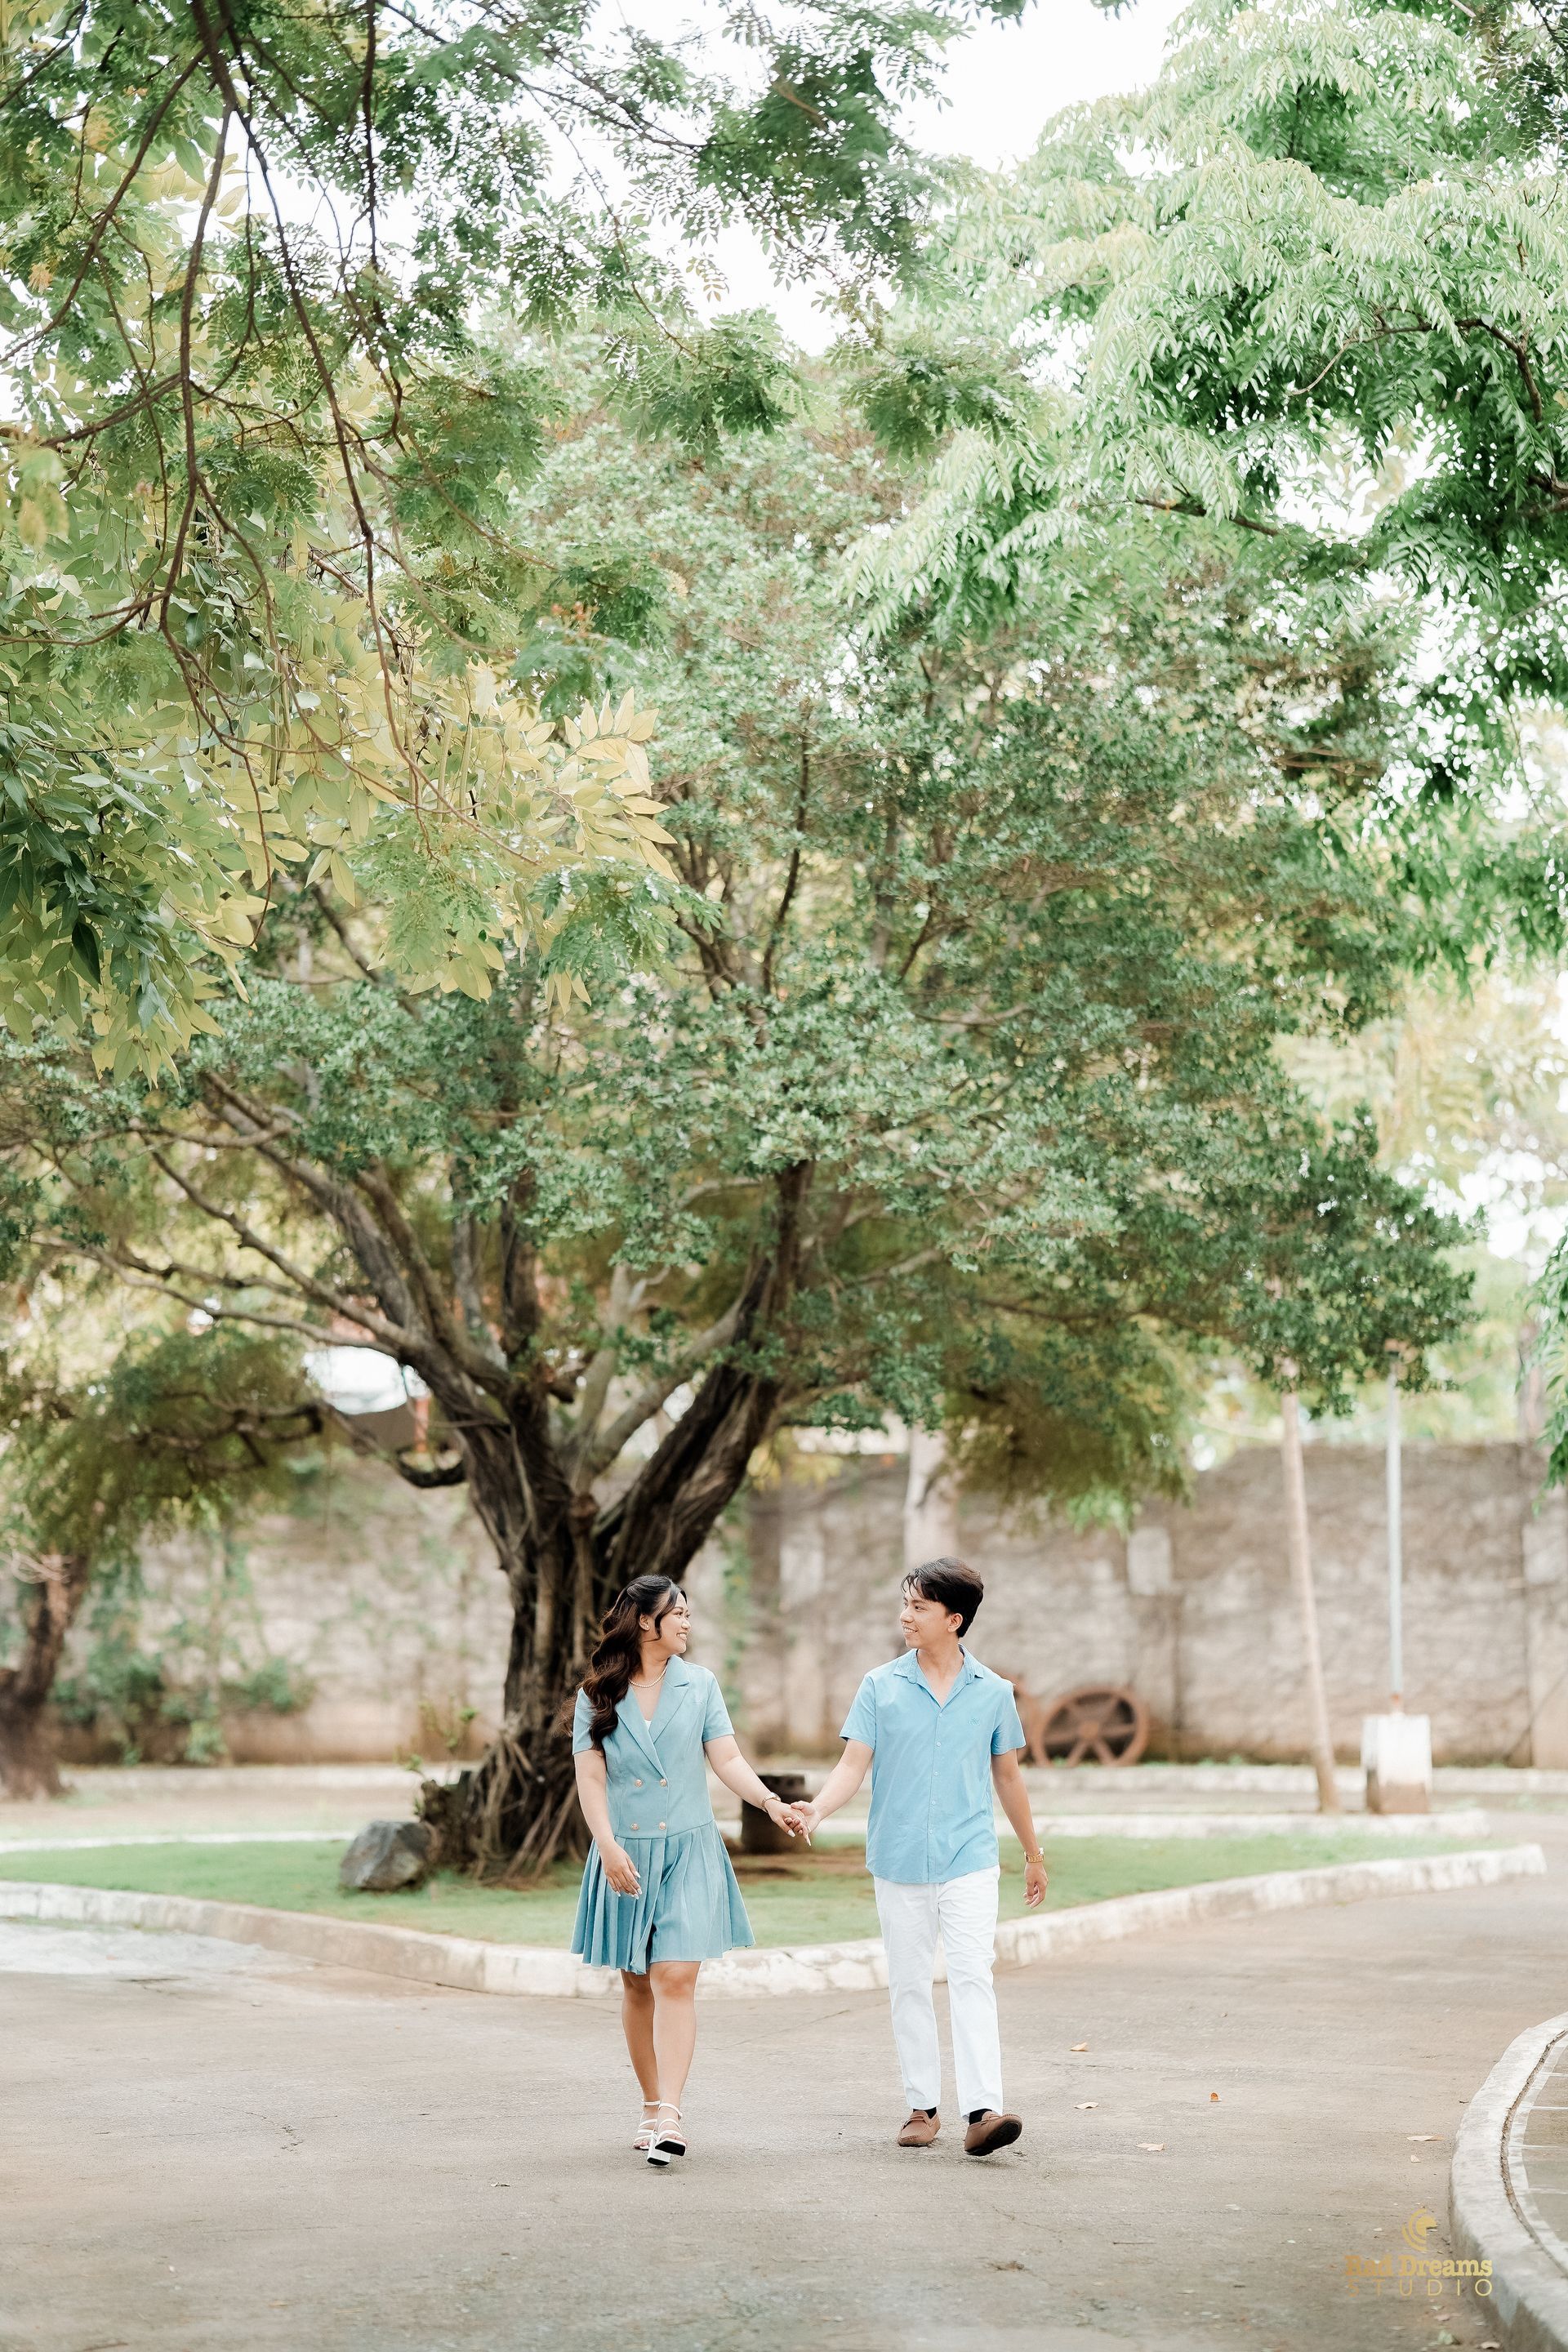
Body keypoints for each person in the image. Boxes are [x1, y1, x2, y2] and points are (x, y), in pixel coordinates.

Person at [799, 1556, 1049, 2156]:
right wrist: (817, 1810)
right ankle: (922, 2106)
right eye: (905, 1605)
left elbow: (1008, 1777)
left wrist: (1033, 1854)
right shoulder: (879, 1686)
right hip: (899, 1857)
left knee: (973, 1977)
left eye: (919, 1607)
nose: (905, 1616)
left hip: (970, 1857)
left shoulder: (994, 1692)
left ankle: (983, 2111)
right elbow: (852, 1766)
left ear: (953, 1619)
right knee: (910, 1983)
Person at [571, 1573, 807, 2166]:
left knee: (675, 1976)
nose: (686, 1623)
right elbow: (591, 1776)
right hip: (625, 1851)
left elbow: (726, 1757)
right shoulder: (596, 1694)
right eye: (678, 1613)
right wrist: (607, 1846)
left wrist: (770, 1803)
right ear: (644, 1621)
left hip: (689, 1850)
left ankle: (671, 2115)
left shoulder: (700, 1685)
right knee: (636, 1981)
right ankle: (651, 2104)